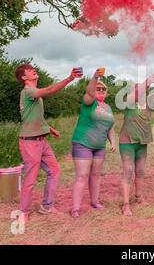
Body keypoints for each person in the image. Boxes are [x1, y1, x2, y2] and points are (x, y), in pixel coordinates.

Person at [15, 64, 82, 221]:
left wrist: (49, 128)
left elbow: (33, 116)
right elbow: (49, 90)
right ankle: (24, 212)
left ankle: (47, 206)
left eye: (33, 69)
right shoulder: (28, 91)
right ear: (24, 77)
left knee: (54, 170)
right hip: (30, 142)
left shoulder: (33, 95)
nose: (33, 70)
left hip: (41, 141)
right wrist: (70, 78)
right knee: (31, 178)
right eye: (29, 70)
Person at [119, 73, 154, 216]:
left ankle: (139, 197)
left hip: (142, 143)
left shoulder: (149, 103)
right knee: (128, 171)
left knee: (140, 171)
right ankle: (126, 205)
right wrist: (147, 81)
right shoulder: (129, 103)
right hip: (127, 142)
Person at [71, 68, 115, 218]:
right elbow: (89, 93)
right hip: (83, 143)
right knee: (82, 175)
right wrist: (96, 77)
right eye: (98, 88)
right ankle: (75, 208)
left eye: (104, 89)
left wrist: (113, 142)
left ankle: (95, 201)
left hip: (99, 146)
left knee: (96, 175)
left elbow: (110, 127)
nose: (101, 91)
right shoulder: (89, 102)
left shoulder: (108, 107)